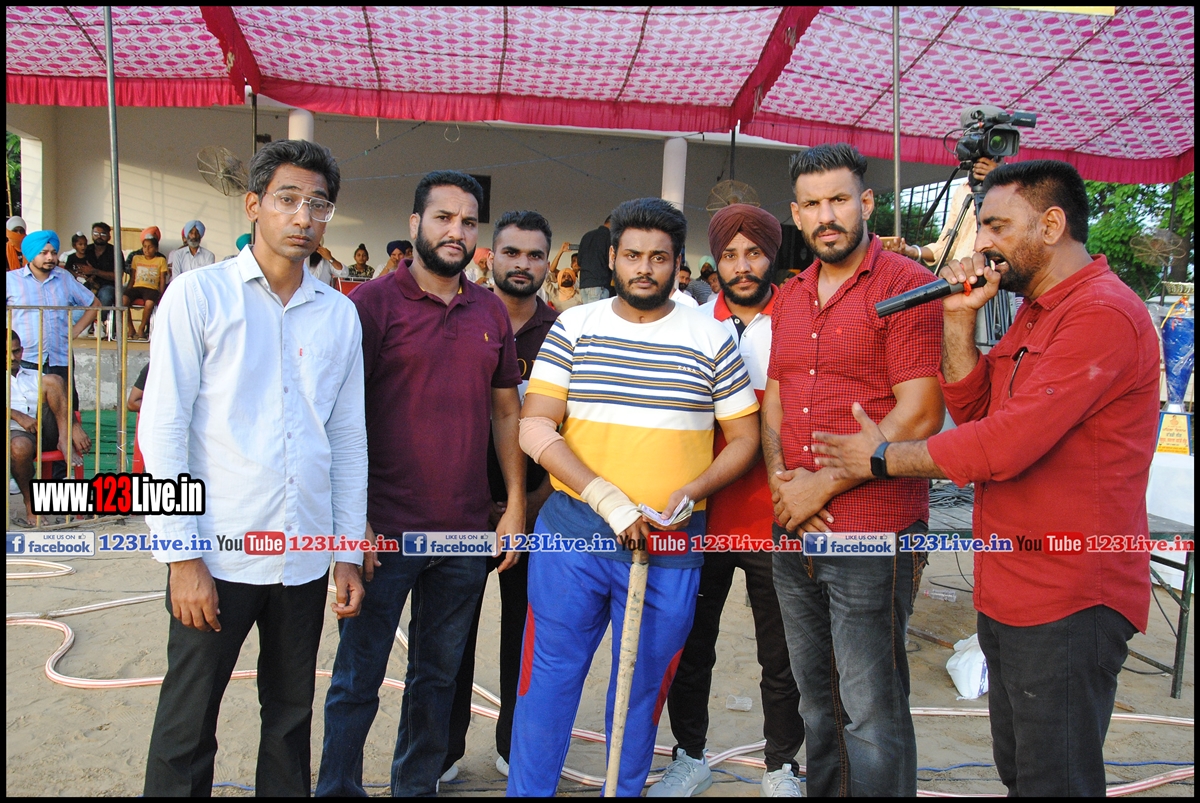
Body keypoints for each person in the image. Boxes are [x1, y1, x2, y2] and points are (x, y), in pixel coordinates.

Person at [810, 160, 1159, 798]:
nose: (983, 245)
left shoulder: (1102, 314)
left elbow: (1004, 446)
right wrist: (957, 318)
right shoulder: (1035, 310)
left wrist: (881, 458)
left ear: (1050, 225)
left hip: (1071, 594)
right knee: (1020, 770)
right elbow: (976, 412)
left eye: (997, 226)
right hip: (1011, 586)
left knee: (1053, 781)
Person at [510, 197, 762, 796]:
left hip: (668, 546)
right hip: (573, 536)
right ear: (613, 258)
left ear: (678, 263)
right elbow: (535, 425)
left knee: (642, 688)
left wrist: (692, 492)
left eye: (658, 257)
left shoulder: (711, 336)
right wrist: (607, 498)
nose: (644, 269)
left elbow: (746, 439)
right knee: (548, 680)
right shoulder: (575, 325)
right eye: (632, 256)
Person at [140, 138, 368, 797]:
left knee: (291, 719)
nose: (303, 216)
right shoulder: (199, 296)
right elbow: (163, 430)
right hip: (218, 554)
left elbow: (347, 438)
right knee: (187, 724)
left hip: (302, 557)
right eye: (287, 199)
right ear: (253, 205)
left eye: (318, 204)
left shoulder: (339, 315)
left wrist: (346, 553)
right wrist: (182, 557)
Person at [317, 171, 526, 798]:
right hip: (384, 531)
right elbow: (337, 416)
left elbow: (506, 412)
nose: (456, 231)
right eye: (443, 218)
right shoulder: (370, 305)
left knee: (437, 680)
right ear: (415, 225)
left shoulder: (489, 310)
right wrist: (351, 520)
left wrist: (514, 505)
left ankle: (415, 787)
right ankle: (338, 789)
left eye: (468, 222)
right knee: (357, 679)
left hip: (464, 535)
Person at [763, 143, 944, 797]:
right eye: (811, 204)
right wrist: (782, 480)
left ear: (865, 202)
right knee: (817, 703)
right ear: (796, 214)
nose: (826, 216)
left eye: (839, 199)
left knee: (871, 710)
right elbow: (777, 398)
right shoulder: (790, 297)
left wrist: (822, 485)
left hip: (874, 532)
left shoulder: (904, 285)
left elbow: (921, 412)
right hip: (795, 530)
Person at [654, 204, 804, 798]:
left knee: (781, 653)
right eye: (730, 255)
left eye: (754, 253)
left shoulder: (800, 315)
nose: (742, 267)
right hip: (700, 516)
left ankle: (782, 766)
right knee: (690, 645)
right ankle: (688, 756)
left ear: (773, 256)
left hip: (775, 516)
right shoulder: (689, 321)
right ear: (714, 262)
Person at [442, 210, 560, 782]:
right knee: (451, 635)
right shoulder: (463, 318)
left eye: (535, 255)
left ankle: (515, 746)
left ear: (548, 262)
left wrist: (529, 502)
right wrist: (473, 500)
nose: (522, 264)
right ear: (490, 256)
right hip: (461, 509)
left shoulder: (565, 331)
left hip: (535, 511)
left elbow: (574, 429)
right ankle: (442, 751)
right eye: (511, 252)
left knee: (525, 633)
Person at [880, 155, 1010, 345]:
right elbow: (946, 246)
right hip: (962, 281)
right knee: (960, 345)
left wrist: (1001, 180)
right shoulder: (963, 190)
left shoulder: (1015, 186)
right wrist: (911, 251)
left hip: (997, 284)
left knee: (995, 347)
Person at [6, 229, 100, 409]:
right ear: (31, 254)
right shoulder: (11, 280)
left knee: (65, 407)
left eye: (53, 253)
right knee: (27, 407)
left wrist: (74, 332)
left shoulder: (64, 278)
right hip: (25, 357)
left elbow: (94, 304)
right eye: (43, 253)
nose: (50, 257)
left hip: (60, 356)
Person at [7, 331, 92, 527]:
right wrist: (16, 415)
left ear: (22, 351)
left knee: (54, 380)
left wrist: (74, 426)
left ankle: (64, 439)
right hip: (14, 434)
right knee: (19, 446)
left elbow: (61, 402)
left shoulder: (35, 376)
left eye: (16, 351)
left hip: (46, 430)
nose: (12, 357)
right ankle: (31, 505)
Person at [124, 228, 170, 340]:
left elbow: (162, 279)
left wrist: (161, 294)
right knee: (123, 300)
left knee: (149, 303)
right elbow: (132, 277)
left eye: (150, 247)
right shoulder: (136, 258)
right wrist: (128, 290)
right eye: (144, 246)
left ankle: (141, 328)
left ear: (156, 249)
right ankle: (131, 328)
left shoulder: (161, 260)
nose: (147, 249)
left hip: (151, 289)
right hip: (137, 287)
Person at [575, 214, 612, 303]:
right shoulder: (609, 237)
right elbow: (611, 261)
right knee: (598, 312)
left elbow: (579, 261)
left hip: (584, 285)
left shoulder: (587, 236)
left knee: (589, 311)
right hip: (599, 284)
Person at [81, 222, 118, 308]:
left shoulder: (115, 251)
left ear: (109, 236)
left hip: (107, 286)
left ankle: (100, 317)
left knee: (106, 295)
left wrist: (94, 271)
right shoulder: (86, 250)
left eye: (103, 234)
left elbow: (117, 276)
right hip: (88, 283)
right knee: (78, 294)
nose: (99, 236)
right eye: (96, 233)